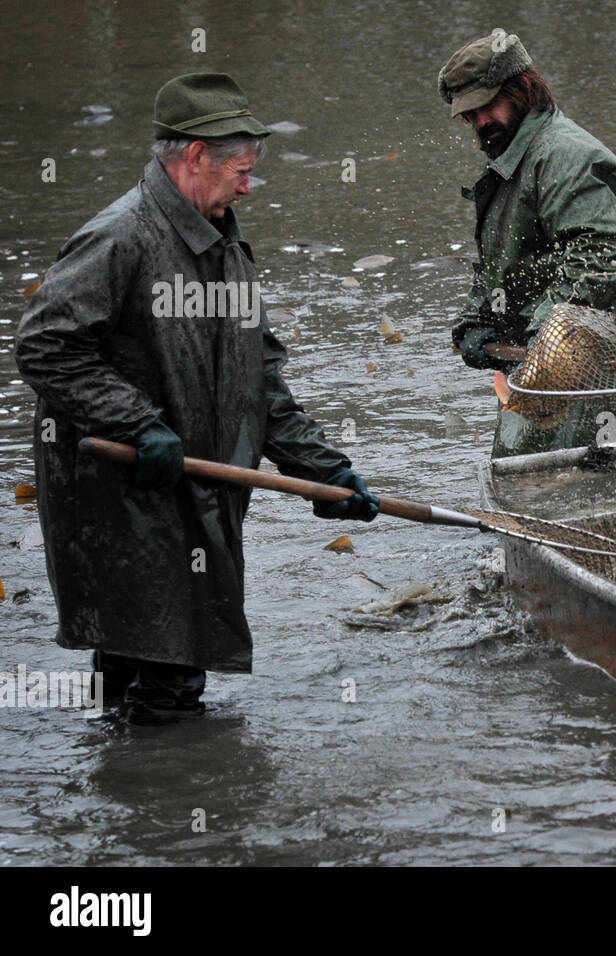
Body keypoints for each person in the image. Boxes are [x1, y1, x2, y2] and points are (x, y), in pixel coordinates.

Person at [16, 73, 380, 725]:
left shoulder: (226, 246)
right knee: (169, 676)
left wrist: (321, 471)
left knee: (138, 663)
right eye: (240, 170)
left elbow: (260, 384)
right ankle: (175, 809)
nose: (248, 185)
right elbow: (44, 344)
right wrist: (136, 423)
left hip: (192, 495)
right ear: (193, 158)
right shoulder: (120, 239)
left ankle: (120, 793)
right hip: (124, 501)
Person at [438, 32, 616, 455]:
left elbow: (603, 255)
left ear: (523, 88)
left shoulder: (563, 156)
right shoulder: (513, 160)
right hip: (544, 375)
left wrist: (545, 336)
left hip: (602, 374)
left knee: (585, 496)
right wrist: (476, 318)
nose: (480, 121)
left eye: (488, 106)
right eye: (470, 115)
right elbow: (504, 260)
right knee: (528, 486)